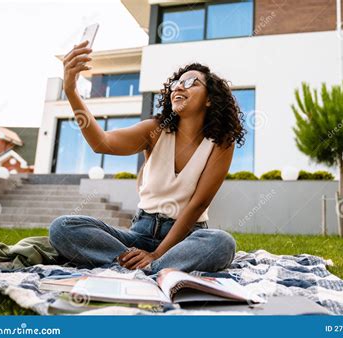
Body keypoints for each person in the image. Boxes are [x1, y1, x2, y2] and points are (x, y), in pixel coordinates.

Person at [48, 40, 247, 274]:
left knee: (222, 244)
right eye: (176, 83)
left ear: (209, 98)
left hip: (185, 239)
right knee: (62, 227)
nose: (179, 87)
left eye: (191, 82)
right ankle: (147, 268)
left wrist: (157, 254)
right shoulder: (155, 130)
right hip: (140, 233)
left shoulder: (221, 142)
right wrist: (71, 91)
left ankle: (142, 267)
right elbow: (101, 143)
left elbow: (198, 204)